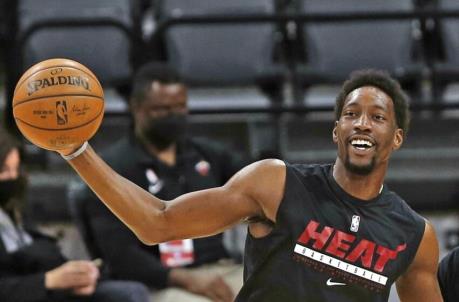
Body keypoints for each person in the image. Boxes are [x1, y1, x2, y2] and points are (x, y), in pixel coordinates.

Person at [52, 69, 443, 301]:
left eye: (377, 117)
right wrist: (76, 151)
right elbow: (158, 222)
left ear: (396, 138)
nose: (361, 123)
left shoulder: (415, 235)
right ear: (336, 131)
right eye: (351, 114)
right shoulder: (275, 183)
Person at [74, 62, 247, 302]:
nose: (173, 116)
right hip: (158, 283)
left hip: (222, 269)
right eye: (162, 109)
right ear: (137, 108)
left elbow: (259, 190)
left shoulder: (209, 155)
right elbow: (120, 256)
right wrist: (183, 279)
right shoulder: (111, 170)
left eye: (180, 107)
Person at [0, 128, 151, 302]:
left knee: (130, 292)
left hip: (45, 290)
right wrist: (48, 281)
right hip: (27, 291)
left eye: (16, 169)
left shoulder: (12, 207)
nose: (13, 177)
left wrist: (76, 275)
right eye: (4, 170)